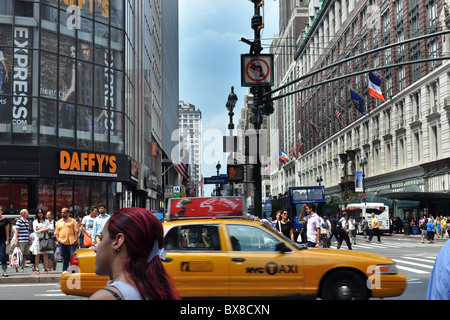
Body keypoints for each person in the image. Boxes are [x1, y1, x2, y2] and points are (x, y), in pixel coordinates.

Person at [89, 207, 180, 300]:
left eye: (101, 238)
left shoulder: (105, 297)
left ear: (118, 241)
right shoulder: (157, 290)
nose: (96, 248)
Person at [55, 207, 79, 273]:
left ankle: (73, 269)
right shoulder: (59, 222)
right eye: (62, 212)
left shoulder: (73, 221)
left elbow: (76, 231)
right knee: (64, 256)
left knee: (72, 256)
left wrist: (76, 239)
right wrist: (58, 240)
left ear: (68, 213)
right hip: (62, 242)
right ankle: (65, 269)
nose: (62, 214)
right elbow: (56, 233)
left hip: (71, 242)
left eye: (64, 212)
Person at [30, 209, 51, 274]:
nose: (40, 214)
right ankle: (37, 268)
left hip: (45, 239)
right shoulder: (35, 222)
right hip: (38, 239)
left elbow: (49, 229)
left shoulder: (46, 221)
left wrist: (40, 229)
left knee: (45, 254)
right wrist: (44, 229)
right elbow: (36, 230)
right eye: (39, 213)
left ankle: (46, 269)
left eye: (41, 212)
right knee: (37, 254)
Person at [0, 205, 9, 277]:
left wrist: (7, 240)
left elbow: (7, 231)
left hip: (2, 240)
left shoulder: (5, 220)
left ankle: (4, 271)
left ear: (2, 212)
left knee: (3, 255)